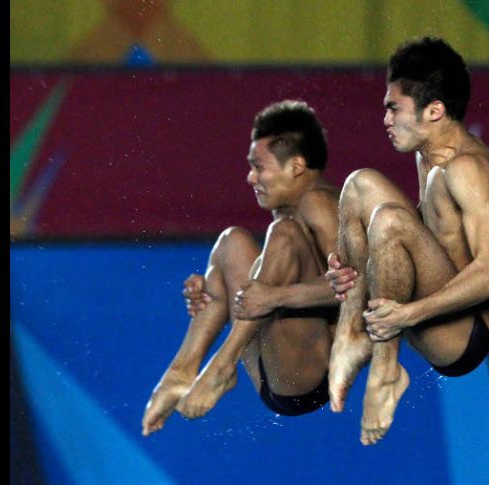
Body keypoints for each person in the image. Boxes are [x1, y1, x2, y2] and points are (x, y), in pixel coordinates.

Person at [324, 37, 489, 445]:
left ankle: (385, 373)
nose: (385, 119)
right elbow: (428, 243)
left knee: (389, 221)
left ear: (435, 110)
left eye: (393, 108)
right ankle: (351, 335)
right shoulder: (429, 156)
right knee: (359, 185)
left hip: (465, 334)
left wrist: (409, 314)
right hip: (430, 299)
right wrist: (353, 272)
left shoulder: (470, 169)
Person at [142, 100, 341, 436]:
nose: (250, 178)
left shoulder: (321, 205)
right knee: (231, 241)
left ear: (296, 166)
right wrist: (211, 289)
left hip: (309, 376)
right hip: (273, 364)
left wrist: (276, 295)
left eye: (258, 167)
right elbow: (262, 291)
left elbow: (358, 288)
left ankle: (222, 365)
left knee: (283, 234)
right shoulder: (291, 208)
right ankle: (180, 372)